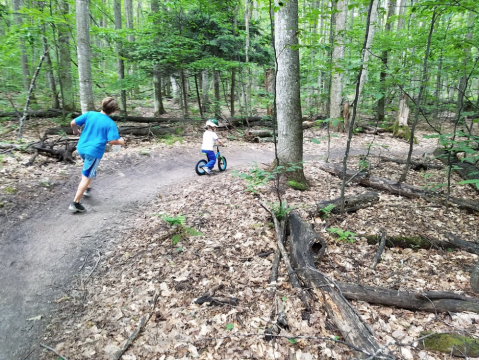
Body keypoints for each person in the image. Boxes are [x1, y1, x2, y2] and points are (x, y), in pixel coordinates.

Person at [69, 97, 125, 213]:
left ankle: (87, 188)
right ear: (113, 111)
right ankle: (75, 203)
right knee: (86, 175)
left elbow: (73, 122)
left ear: (102, 105)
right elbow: (113, 141)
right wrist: (121, 141)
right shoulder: (110, 123)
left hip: (81, 147)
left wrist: (75, 131)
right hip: (93, 151)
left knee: (88, 167)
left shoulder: (90, 114)